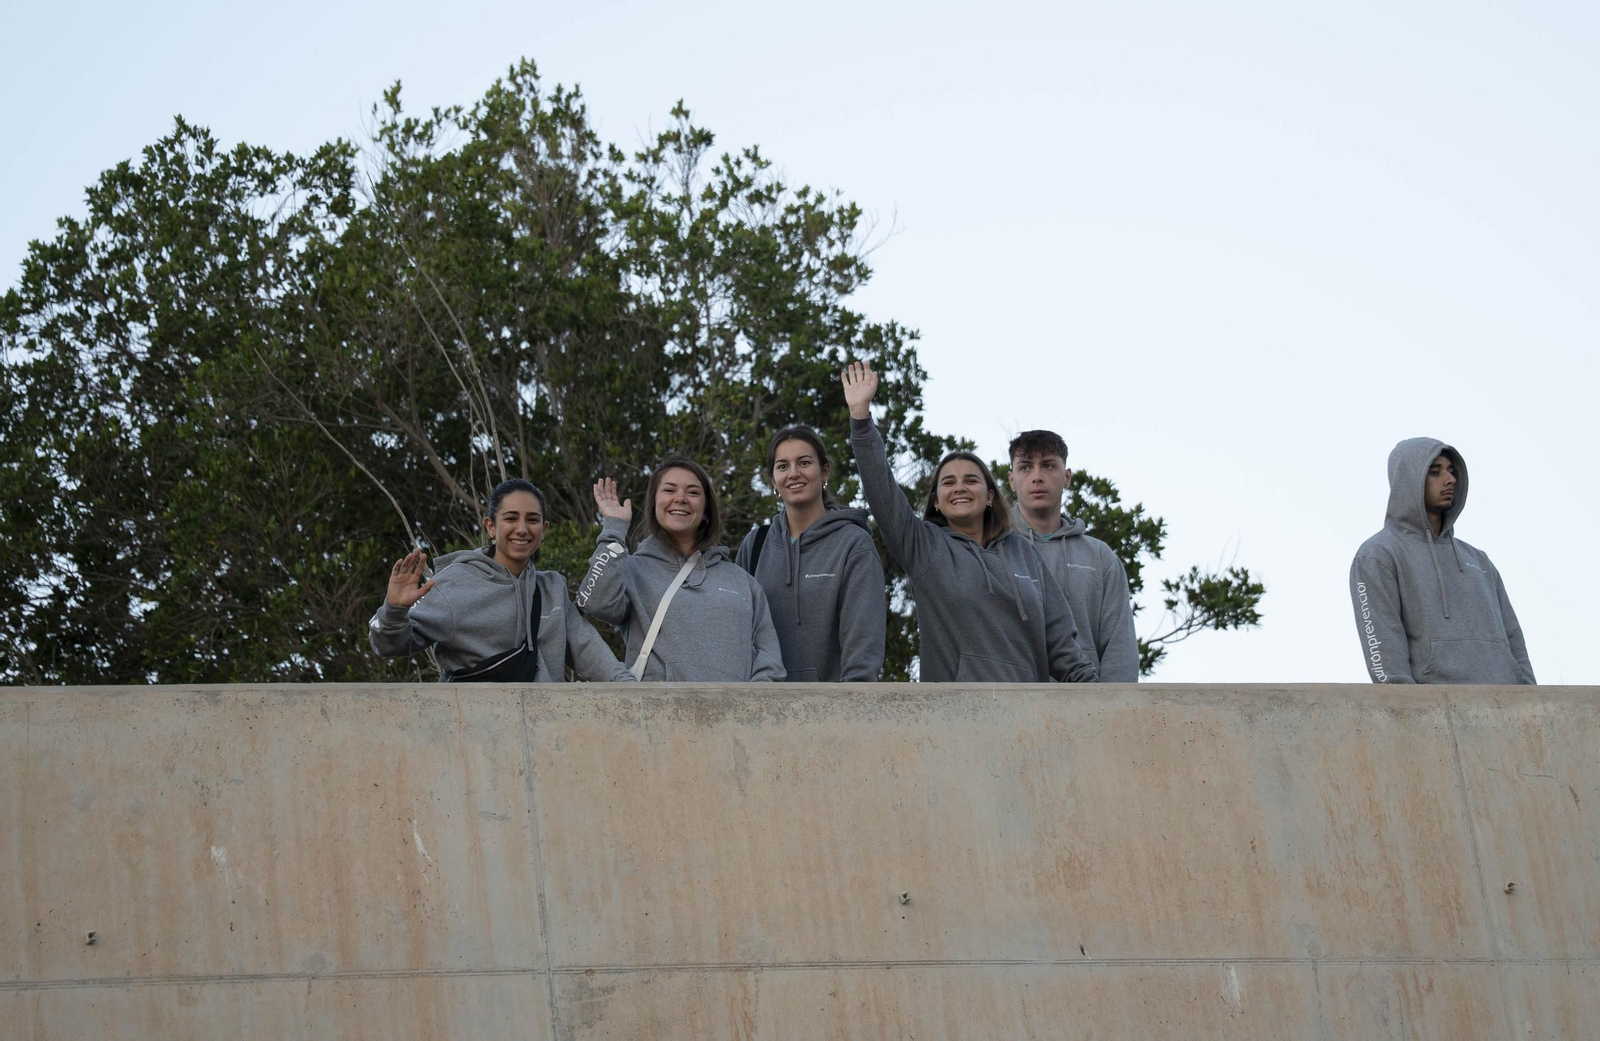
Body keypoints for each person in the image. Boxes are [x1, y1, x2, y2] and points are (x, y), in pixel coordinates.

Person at [842, 362, 1097, 683]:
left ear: (990, 495)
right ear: (936, 501)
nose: (960, 487)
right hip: (955, 720)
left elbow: (1061, 643)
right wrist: (861, 420)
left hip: (1030, 720)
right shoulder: (924, 547)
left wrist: (1097, 699)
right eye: (948, 482)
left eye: (971, 480)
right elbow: (882, 492)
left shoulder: (1023, 552)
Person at [369, 478, 632, 682]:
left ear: (544, 530)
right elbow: (388, 645)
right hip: (473, 737)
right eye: (511, 518)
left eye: (532, 520)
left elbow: (587, 649)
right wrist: (394, 609)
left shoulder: (551, 589)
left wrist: (635, 690)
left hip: (542, 734)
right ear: (491, 526)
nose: (522, 528)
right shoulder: (454, 583)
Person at [577, 457, 785, 681]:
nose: (680, 498)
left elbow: (770, 660)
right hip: (656, 711)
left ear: (706, 510)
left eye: (693, 492)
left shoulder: (743, 582)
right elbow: (595, 602)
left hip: (732, 712)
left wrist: (752, 705)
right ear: (655, 503)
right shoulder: (631, 569)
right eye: (669, 490)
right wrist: (614, 529)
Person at [1349, 438, 1535, 684]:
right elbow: (1384, 643)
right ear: (1408, 481)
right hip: (1435, 710)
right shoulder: (1378, 555)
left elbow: (1513, 637)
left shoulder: (1479, 561)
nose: (1450, 480)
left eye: (1451, 471)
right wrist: (1406, 709)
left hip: (1506, 707)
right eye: (1435, 472)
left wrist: (1530, 694)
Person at [736, 425, 887, 681]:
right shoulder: (755, 545)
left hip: (832, 712)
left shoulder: (852, 543)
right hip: (761, 710)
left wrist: (854, 707)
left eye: (804, 462)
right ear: (773, 480)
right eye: (783, 466)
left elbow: (863, 644)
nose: (793, 473)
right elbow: (738, 635)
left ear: (824, 470)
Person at [1007, 430, 1140, 682]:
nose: (1037, 477)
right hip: (1012, 705)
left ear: (1066, 477)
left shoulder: (1100, 557)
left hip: (1087, 706)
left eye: (1048, 466)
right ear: (1011, 479)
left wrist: (1114, 710)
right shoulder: (993, 550)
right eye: (1025, 467)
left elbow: (1119, 647)